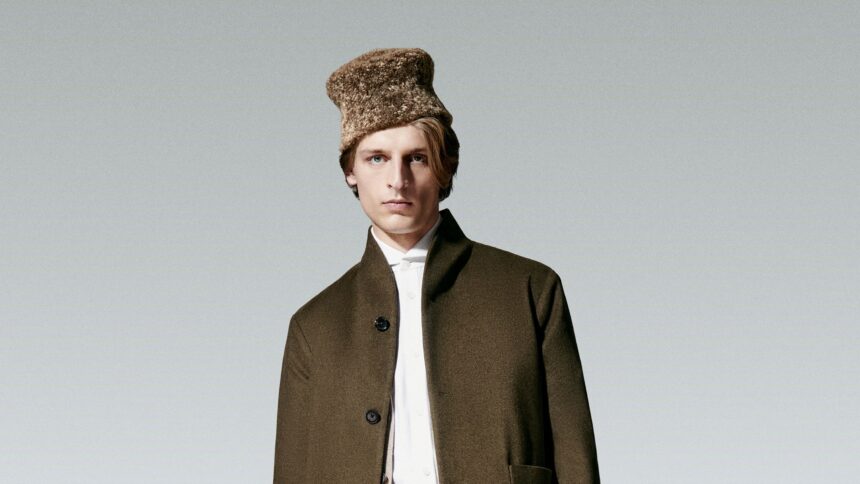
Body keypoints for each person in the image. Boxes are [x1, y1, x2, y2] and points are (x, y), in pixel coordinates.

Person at [274, 48, 599, 484]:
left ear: (444, 168)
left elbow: (576, 461)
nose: (398, 180)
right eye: (376, 158)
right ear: (350, 170)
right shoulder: (314, 326)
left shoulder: (530, 290)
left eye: (417, 158)